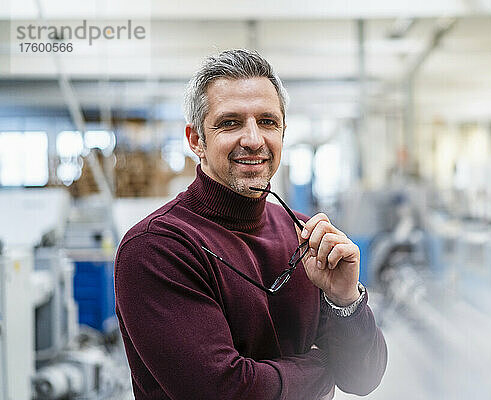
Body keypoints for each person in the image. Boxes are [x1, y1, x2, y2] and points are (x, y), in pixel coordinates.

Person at [114, 49, 387, 400]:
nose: (254, 140)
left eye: (267, 122)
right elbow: (227, 392)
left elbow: (363, 377)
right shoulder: (158, 248)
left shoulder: (305, 236)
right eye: (230, 122)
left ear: (283, 133)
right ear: (197, 140)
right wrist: (324, 369)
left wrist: (344, 299)